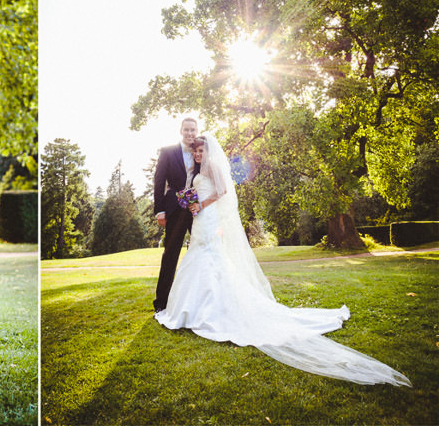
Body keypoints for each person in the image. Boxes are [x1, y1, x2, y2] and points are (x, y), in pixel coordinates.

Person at [155, 136, 411, 386]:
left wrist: (201, 204)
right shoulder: (198, 172)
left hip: (209, 219)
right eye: (196, 151)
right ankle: (193, 308)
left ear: (208, 151)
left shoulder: (212, 169)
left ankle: (210, 309)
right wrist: (191, 204)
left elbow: (222, 192)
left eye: (201, 151)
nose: (199, 155)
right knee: (199, 259)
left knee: (211, 260)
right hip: (200, 221)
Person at [151, 117, 199, 313]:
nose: (190, 133)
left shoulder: (201, 151)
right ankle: (161, 303)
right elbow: (159, 180)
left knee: (200, 252)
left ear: (197, 131)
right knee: (170, 254)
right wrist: (159, 210)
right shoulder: (168, 152)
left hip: (196, 210)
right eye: (186, 129)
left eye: (193, 130)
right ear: (181, 130)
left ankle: (197, 300)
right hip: (174, 209)